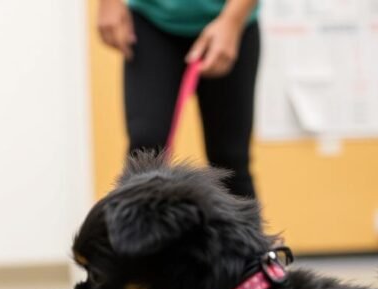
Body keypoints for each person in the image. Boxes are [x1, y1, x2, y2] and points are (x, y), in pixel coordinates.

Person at [98, 0, 261, 199]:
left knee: (230, 160)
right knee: (145, 150)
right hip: (151, 18)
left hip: (231, 18)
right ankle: (129, 228)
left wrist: (232, 21)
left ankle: (242, 231)